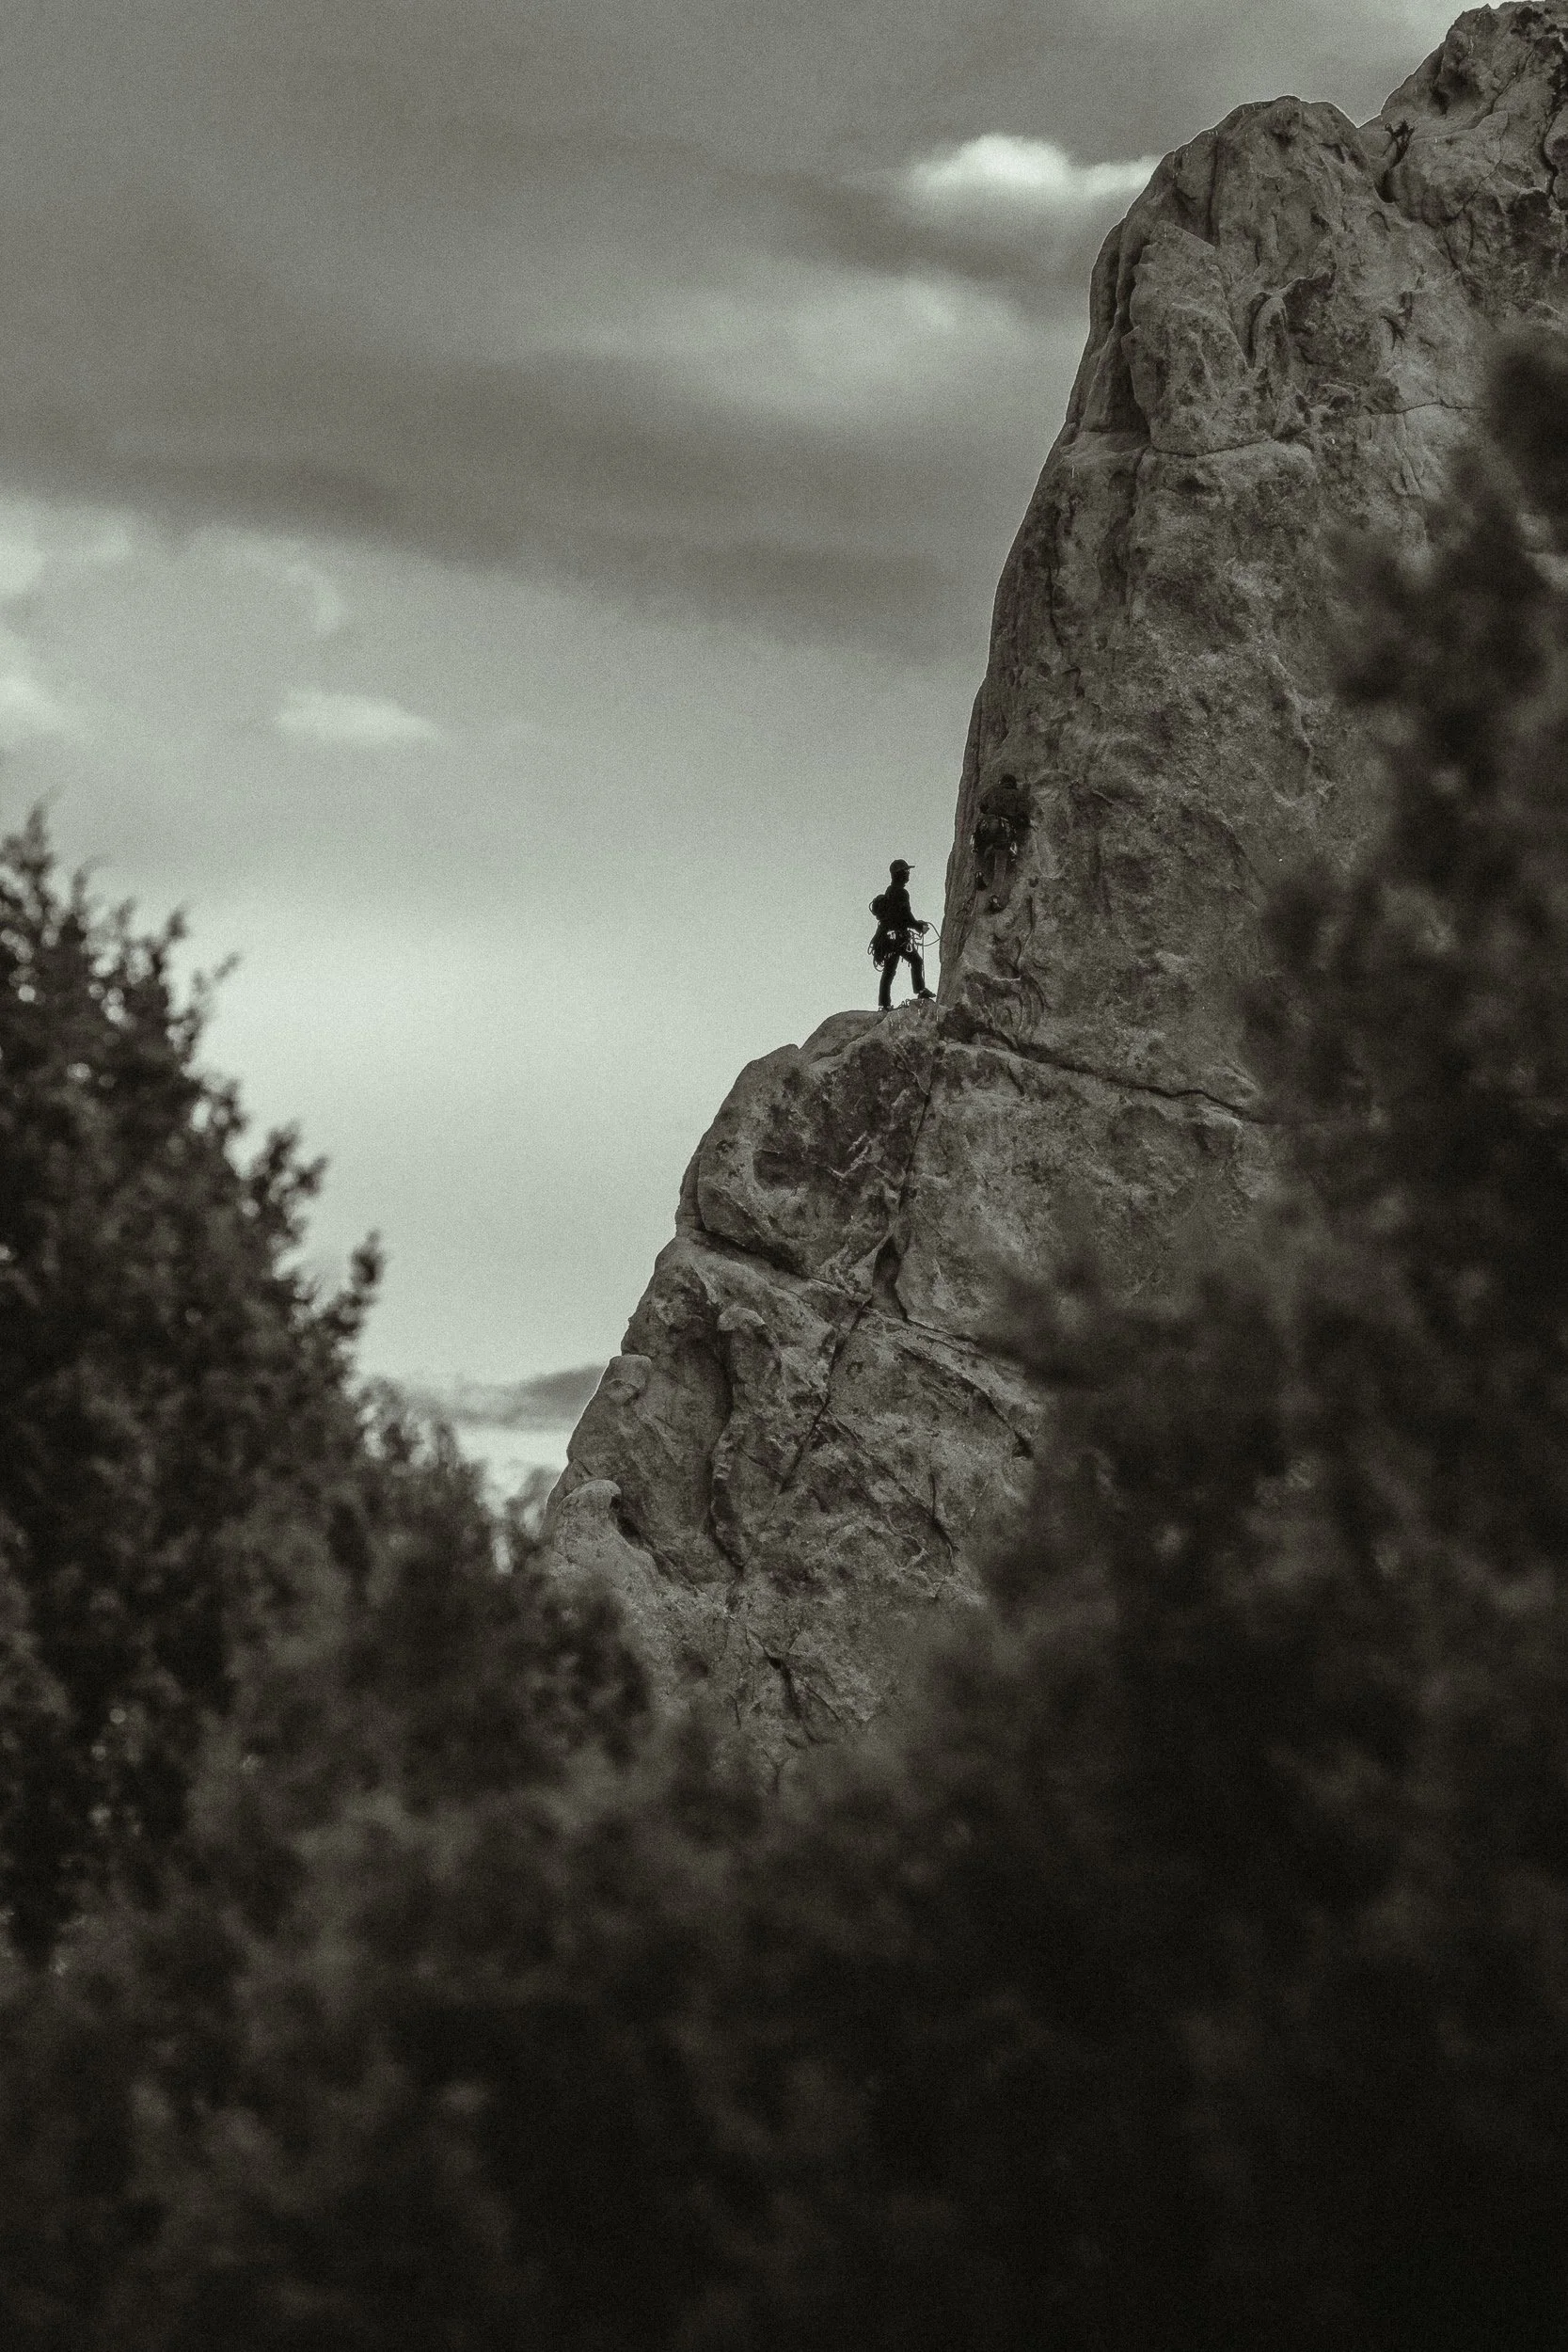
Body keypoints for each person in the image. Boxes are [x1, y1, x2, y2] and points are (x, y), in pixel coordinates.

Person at [869, 858, 935, 1010]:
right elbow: (905, 917)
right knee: (916, 961)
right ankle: (920, 990)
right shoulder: (901, 893)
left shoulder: (890, 891)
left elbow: (900, 917)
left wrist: (917, 924)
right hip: (898, 939)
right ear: (900, 874)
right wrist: (920, 926)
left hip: (888, 939)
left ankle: (884, 1004)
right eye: (906, 872)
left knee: (889, 971)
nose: (908, 875)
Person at [972, 771, 1030, 909]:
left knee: (978, 847)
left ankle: (979, 873)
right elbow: (1022, 813)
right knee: (1000, 864)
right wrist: (1025, 822)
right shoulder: (1017, 794)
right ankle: (994, 898)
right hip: (1004, 827)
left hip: (986, 823)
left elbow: (982, 806)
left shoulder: (993, 790)